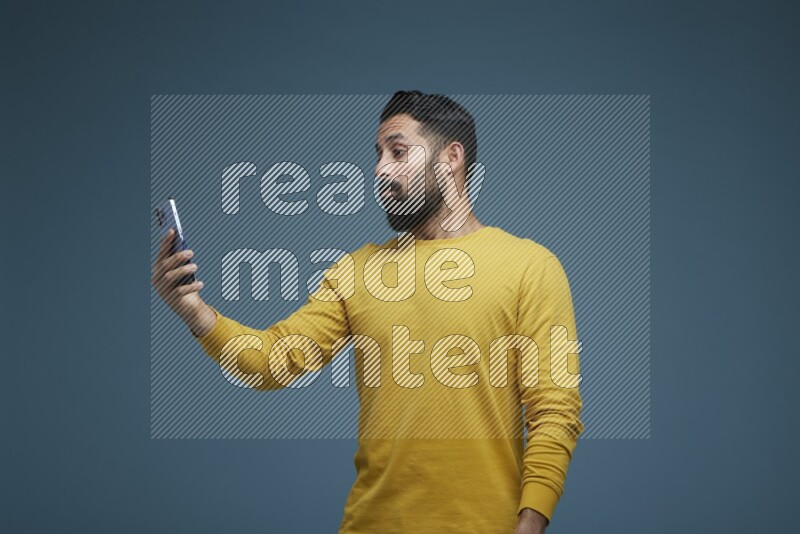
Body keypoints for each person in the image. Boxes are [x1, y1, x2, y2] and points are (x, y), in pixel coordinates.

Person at [151, 90, 584, 533]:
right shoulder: (357, 270)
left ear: (451, 158)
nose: (380, 169)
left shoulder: (531, 266)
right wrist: (194, 310)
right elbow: (271, 361)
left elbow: (554, 410)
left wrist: (530, 525)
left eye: (397, 151)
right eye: (378, 155)